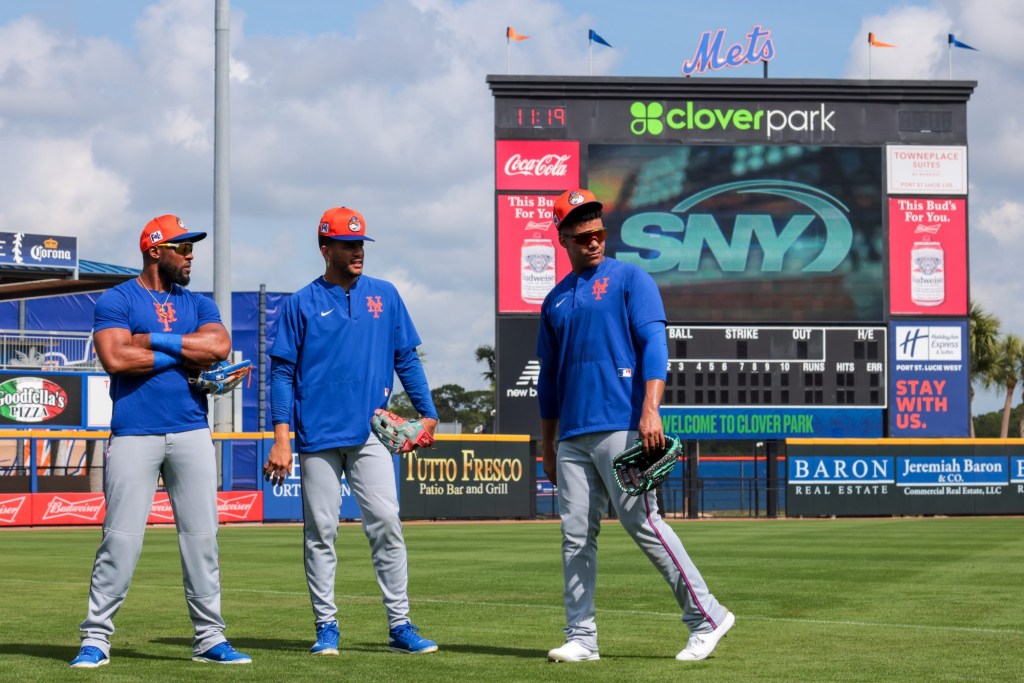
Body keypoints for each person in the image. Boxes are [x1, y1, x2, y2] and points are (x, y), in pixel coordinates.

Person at [537, 189, 734, 663]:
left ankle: (707, 616)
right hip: (572, 436)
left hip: (622, 426)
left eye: (599, 232)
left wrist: (651, 409)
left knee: (643, 522)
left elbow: (654, 345)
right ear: (564, 237)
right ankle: (582, 638)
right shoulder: (555, 299)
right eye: (583, 235)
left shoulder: (630, 279)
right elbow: (548, 380)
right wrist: (547, 444)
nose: (593, 241)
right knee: (575, 537)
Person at [70, 215, 251, 668]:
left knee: (202, 539)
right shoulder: (118, 298)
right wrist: (185, 353)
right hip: (134, 431)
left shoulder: (198, 303)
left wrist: (152, 340)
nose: (191, 256)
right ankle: (96, 639)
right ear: (155, 251)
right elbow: (115, 357)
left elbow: (219, 349)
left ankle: (210, 639)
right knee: (121, 540)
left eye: (192, 248)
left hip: (191, 429)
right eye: (182, 247)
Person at [264, 206, 439, 656]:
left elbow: (406, 358)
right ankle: (327, 626)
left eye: (360, 243)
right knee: (322, 530)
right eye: (348, 244)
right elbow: (281, 373)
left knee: (386, 524)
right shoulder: (300, 302)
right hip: (317, 435)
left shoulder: (386, 294)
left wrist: (429, 413)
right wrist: (282, 437)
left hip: (370, 433)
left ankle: (400, 624)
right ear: (326, 249)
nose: (358, 251)